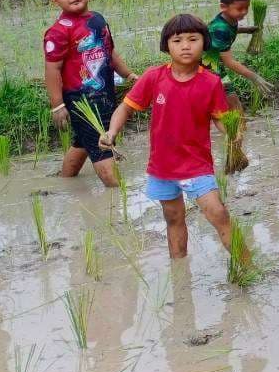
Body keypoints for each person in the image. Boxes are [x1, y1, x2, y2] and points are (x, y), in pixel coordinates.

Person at [99, 15, 234, 260]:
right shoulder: (154, 77)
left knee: (218, 213)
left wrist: (234, 134)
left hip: (196, 165)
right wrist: (111, 132)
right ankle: (179, 270)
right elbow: (126, 108)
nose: (185, 46)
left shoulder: (211, 82)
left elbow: (221, 119)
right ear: (166, 45)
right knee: (173, 218)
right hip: (162, 166)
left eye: (193, 39)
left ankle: (247, 265)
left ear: (204, 43)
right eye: (177, 40)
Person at [43, 0, 137, 188]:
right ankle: (116, 191)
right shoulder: (58, 32)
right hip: (81, 100)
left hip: (104, 93)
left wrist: (128, 74)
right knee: (101, 145)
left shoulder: (97, 19)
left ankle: (65, 182)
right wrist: (57, 105)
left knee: (84, 141)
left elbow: (109, 51)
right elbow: (52, 69)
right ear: (54, 0)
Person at [203, 0, 271, 111]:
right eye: (240, 9)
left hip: (214, 65)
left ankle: (234, 122)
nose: (244, 12)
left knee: (230, 102)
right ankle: (236, 123)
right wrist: (253, 76)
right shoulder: (220, 29)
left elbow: (229, 29)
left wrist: (246, 30)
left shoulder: (229, 19)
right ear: (223, 7)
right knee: (233, 101)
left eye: (247, 8)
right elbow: (229, 62)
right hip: (208, 68)